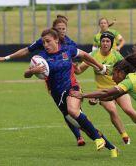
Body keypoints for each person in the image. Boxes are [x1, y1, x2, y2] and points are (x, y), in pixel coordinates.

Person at [23, 28, 118, 157]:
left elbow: (85, 55)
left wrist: (100, 67)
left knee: (73, 110)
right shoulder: (41, 58)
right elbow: (26, 74)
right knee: (84, 127)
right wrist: (32, 71)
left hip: (73, 88)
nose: (45, 45)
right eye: (43, 42)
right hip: (58, 97)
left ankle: (97, 138)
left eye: (48, 41)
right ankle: (112, 148)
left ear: (56, 40)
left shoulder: (67, 50)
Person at [0, 16, 86, 146]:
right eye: (59, 29)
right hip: (52, 81)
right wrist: (7, 57)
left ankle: (89, 131)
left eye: (64, 29)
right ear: (54, 30)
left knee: (74, 109)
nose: (62, 31)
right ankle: (79, 136)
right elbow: (26, 50)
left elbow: (79, 58)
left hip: (69, 79)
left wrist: (80, 66)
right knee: (66, 111)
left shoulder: (70, 44)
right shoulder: (44, 41)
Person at [75, 31, 136, 144]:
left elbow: (125, 70)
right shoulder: (93, 55)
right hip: (103, 90)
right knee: (112, 110)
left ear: (111, 43)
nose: (105, 43)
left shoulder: (116, 55)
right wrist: (73, 66)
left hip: (119, 86)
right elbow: (79, 70)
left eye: (108, 41)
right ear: (100, 43)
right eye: (103, 41)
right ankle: (124, 136)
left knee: (128, 109)